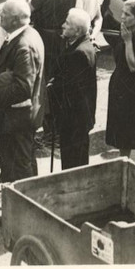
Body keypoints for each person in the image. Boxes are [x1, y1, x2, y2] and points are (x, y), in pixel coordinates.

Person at [0, 0, 45, 182]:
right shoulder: (28, 34)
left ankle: (21, 206)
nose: (0, 17)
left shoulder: (23, 44)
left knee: (18, 168)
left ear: (15, 20)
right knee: (23, 163)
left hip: (17, 118)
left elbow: (23, 87)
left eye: (4, 15)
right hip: (20, 116)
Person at [105, 0, 135, 166]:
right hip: (119, 85)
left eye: (127, 14)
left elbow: (134, 67)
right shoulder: (124, 30)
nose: (122, 17)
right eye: (122, 13)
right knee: (122, 135)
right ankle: (123, 169)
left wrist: (128, 42)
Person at [47, 9, 97, 169]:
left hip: (74, 120)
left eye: (67, 23)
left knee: (73, 164)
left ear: (76, 31)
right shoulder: (82, 45)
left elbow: (70, 88)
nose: (63, 25)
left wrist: (52, 86)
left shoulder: (79, 53)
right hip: (79, 119)